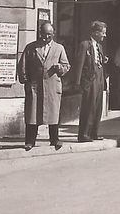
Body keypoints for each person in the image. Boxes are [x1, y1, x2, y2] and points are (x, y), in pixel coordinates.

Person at [17, 22, 71, 151]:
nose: (45, 37)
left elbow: (66, 66)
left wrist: (60, 68)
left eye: (48, 34)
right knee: (32, 114)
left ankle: (55, 140)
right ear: (39, 33)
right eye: (43, 34)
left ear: (53, 34)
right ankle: (30, 141)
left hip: (52, 85)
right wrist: (24, 78)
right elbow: (22, 64)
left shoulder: (59, 48)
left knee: (53, 113)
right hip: (35, 85)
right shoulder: (31, 47)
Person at [72, 20, 108, 142]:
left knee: (98, 107)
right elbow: (79, 64)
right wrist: (77, 82)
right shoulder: (85, 45)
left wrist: (103, 60)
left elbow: (98, 61)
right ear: (95, 32)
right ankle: (83, 134)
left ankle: (94, 133)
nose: (104, 35)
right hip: (89, 80)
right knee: (89, 107)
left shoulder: (99, 46)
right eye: (103, 33)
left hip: (99, 78)